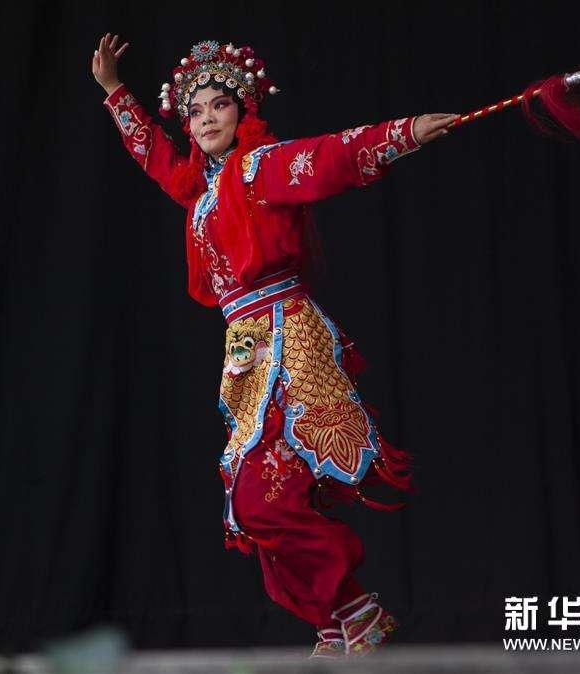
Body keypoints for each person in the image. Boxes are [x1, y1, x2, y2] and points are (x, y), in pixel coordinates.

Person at [92, 33, 456, 658]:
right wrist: (114, 91)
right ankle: (335, 622)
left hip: (287, 337)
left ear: (243, 112)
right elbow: (154, 155)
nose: (207, 119)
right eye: (196, 111)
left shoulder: (260, 167)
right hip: (245, 350)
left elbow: (332, 156)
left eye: (219, 106)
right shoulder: (199, 187)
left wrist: (405, 133)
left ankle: (352, 608)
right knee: (253, 502)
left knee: (261, 500)